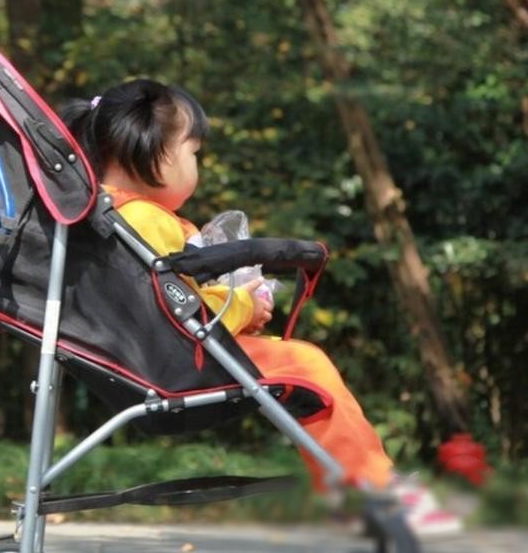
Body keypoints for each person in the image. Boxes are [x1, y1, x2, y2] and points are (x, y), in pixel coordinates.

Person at [60, 79, 461, 538]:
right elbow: (182, 317)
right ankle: (372, 491)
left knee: (298, 363)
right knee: (307, 363)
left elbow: (163, 304)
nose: (198, 169)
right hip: (176, 364)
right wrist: (245, 305)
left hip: (138, 361)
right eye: (194, 155)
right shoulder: (143, 220)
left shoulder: (103, 219)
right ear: (152, 151)